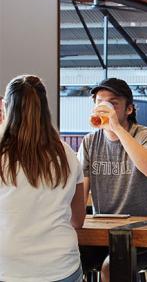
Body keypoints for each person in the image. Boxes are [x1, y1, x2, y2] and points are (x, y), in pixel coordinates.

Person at [0, 75, 85, 282]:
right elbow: (78, 219)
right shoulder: (67, 154)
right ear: (45, 108)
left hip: (9, 266)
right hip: (61, 265)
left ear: (5, 107)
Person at [78, 78, 147, 282]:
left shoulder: (146, 136)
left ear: (129, 109)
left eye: (113, 103)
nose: (105, 108)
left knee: (111, 267)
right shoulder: (90, 142)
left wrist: (116, 128)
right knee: (61, 259)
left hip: (144, 234)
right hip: (101, 234)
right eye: (100, 102)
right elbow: (80, 195)